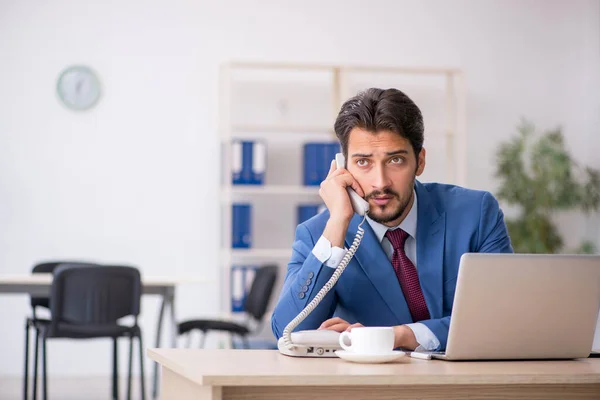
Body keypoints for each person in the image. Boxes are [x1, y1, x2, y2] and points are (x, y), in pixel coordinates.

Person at [271, 88, 513, 351]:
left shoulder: (475, 213)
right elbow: (287, 331)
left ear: (419, 162)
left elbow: (502, 319)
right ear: (343, 167)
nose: (381, 182)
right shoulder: (320, 234)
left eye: (395, 160)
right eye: (363, 162)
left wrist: (399, 336)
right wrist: (338, 223)